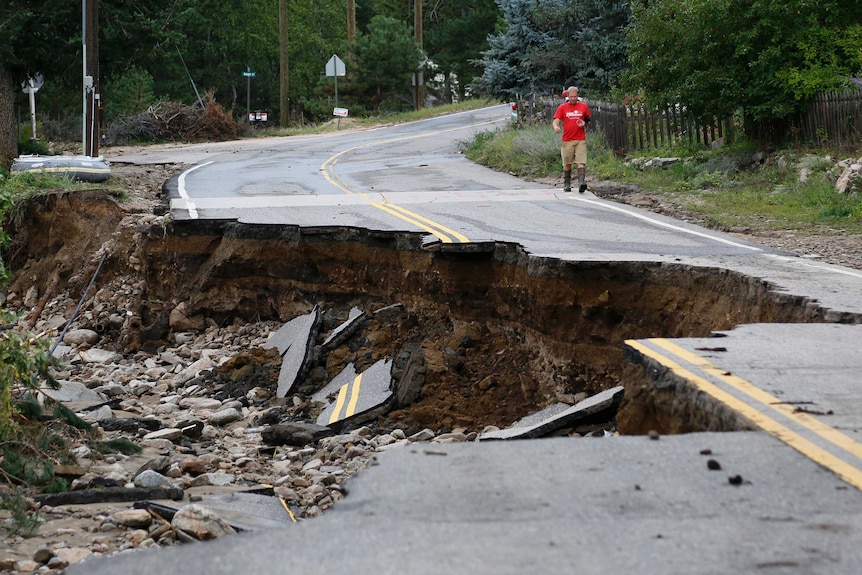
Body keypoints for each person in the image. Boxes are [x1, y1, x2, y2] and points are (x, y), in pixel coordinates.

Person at [553, 86, 592, 193]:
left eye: (575, 96)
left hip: (580, 139)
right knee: (567, 163)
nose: (573, 98)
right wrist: (556, 127)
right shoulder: (563, 107)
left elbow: (588, 121)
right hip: (567, 139)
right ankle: (567, 184)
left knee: (581, 161)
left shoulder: (583, 107)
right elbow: (556, 120)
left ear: (577, 96)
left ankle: (581, 183)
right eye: (571, 97)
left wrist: (584, 124)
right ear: (568, 96)